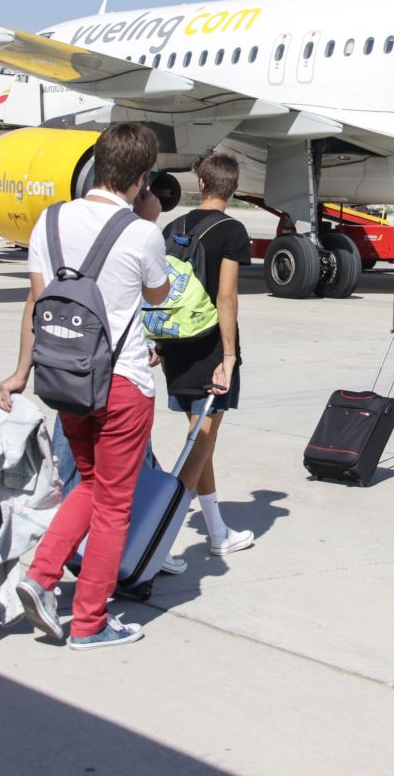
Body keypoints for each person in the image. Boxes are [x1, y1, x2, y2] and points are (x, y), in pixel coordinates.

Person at [1, 124, 170, 650]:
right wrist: (144, 223)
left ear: (96, 164)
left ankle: (41, 576)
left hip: (64, 379)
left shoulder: (49, 221)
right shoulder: (142, 231)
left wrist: (22, 371)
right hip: (121, 383)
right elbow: (159, 295)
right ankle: (90, 620)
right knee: (114, 503)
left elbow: (35, 304)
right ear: (142, 178)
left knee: (88, 485)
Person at [153, 152, 255, 562]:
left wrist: (158, 342)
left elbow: (161, 286)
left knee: (200, 438)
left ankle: (216, 532)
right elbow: (226, 296)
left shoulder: (172, 226)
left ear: (202, 185)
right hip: (210, 343)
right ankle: (158, 538)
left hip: (175, 341)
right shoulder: (232, 230)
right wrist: (229, 357)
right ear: (233, 189)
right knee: (202, 443)